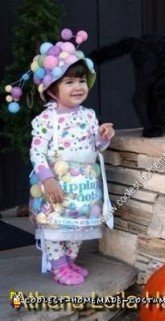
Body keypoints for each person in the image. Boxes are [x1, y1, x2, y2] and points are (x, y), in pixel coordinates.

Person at [16, 29, 114, 285]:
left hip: (83, 184)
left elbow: (96, 147)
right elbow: (36, 151)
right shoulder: (46, 119)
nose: (78, 87)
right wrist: (47, 180)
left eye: (81, 81)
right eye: (69, 82)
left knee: (79, 224)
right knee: (55, 226)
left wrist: (103, 136)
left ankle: (70, 261)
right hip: (56, 184)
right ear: (51, 90)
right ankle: (59, 265)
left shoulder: (89, 115)